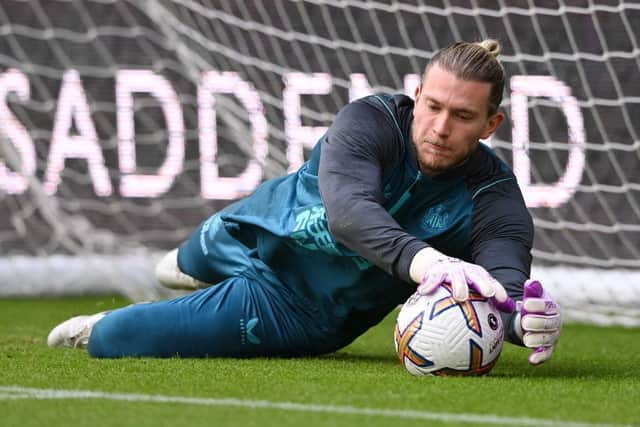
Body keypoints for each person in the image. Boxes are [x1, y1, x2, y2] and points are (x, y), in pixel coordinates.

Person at [48, 39, 562, 365]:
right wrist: (427, 260)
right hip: (248, 228)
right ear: (416, 94)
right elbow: (349, 213)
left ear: (492, 124)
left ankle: (115, 323)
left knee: (116, 338)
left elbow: (504, 283)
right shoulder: (371, 120)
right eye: (433, 106)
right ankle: (193, 268)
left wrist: (522, 320)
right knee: (178, 265)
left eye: (463, 116)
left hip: (296, 309)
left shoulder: (495, 198)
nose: (441, 127)